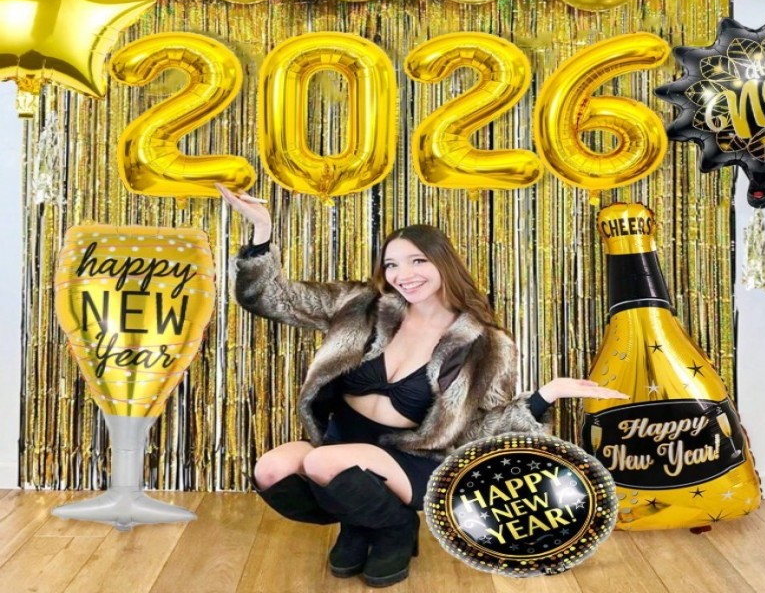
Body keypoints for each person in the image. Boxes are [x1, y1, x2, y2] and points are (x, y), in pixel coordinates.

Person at [219, 185, 626, 588]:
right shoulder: (361, 305)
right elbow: (273, 299)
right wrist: (262, 231)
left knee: (322, 463)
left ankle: (396, 527)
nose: (403, 275)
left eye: (417, 261)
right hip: (341, 443)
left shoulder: (486, 344)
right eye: (392, 264)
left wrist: (544, 396)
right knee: (271, 470)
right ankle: (360, 521)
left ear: (443, 263)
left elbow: (479, 430)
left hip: (413, 461)